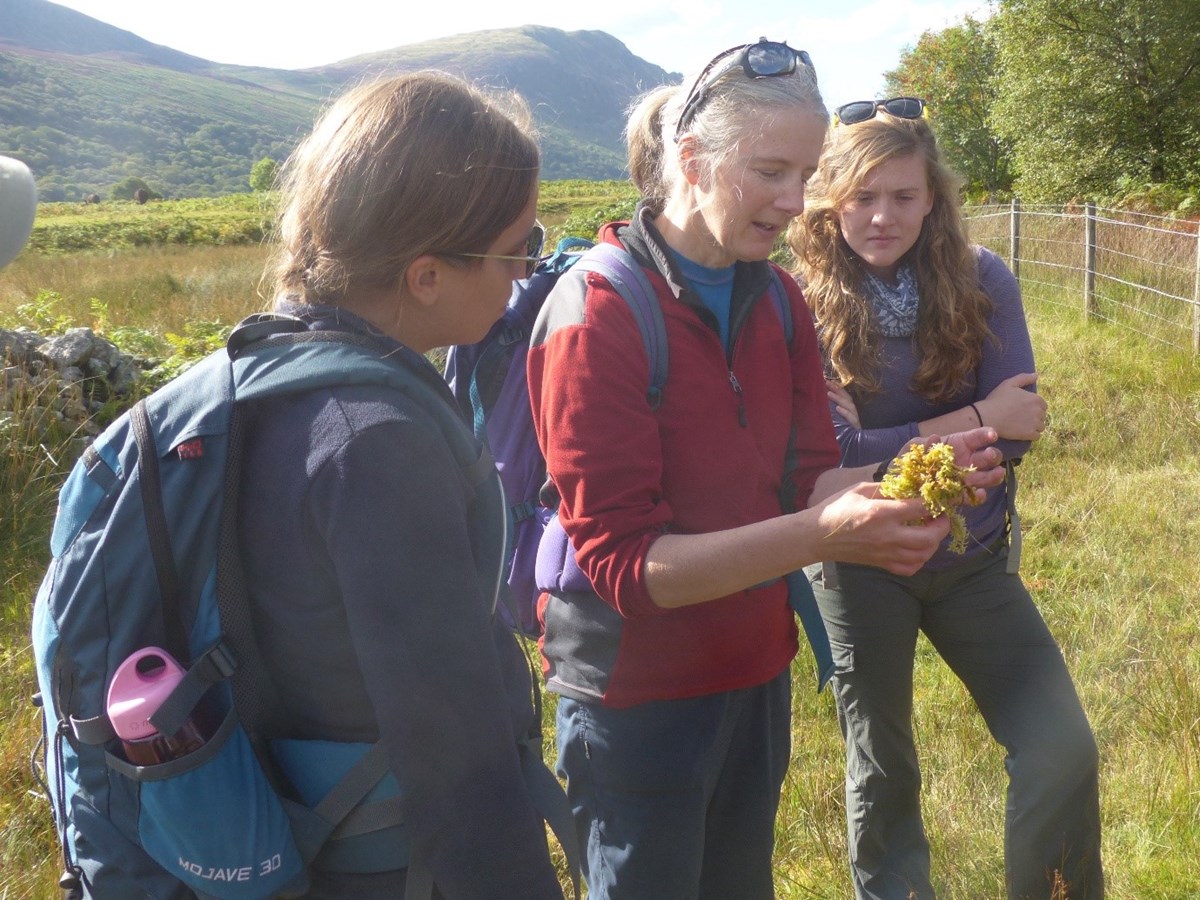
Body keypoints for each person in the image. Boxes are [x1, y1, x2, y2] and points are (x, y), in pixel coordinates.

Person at [525, 42, 1003, 899]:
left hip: (752, 671)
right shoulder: (598, 314)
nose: (796, 202)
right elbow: (631, 569)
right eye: (771, 172)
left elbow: (811, 477)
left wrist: (910, 482)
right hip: (634, 699)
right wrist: (823, 535)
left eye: (806, 173)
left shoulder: (779, 299)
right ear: (692, 159)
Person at [242, 71, 564, 897]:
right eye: (520, 247)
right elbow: (456, 755)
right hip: (384, 858)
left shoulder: (268, 374)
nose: (526, 273)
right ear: (427, 276)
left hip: (293, 825)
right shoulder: (379, 446)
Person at [788, 99, 1103, 899]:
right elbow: (831, 462)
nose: (883, 216)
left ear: (933, 199)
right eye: (863, 196)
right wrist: (972, 420)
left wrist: (900, 439)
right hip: (858, 564)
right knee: (883, 764)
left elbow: (1021, 427)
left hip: (971, 558)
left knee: (1061, 744)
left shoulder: (980, 276)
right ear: (831, 199)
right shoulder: (795, 303)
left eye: (902, 195)